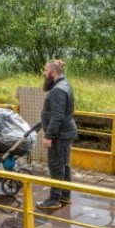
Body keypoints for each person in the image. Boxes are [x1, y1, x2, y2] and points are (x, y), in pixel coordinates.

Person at [36, 59, 78, 210]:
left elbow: (57, 115)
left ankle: (54, 199)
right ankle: (65, 196)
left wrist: (49, 136)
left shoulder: (58, 90)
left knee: (55, 166)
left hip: (60, 135)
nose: (44, 73)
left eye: (46, 70)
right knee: (64, 165)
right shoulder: (63, 85)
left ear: (52, 72)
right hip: (64, 133)